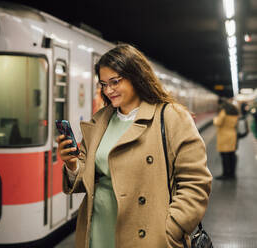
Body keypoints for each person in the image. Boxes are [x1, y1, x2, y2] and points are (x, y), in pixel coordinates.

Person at [56, 44, 212, 248]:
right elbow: (86, 177)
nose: (108, 90)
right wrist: (73, 165)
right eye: (103, 84)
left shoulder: (171, 117)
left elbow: (196, 181)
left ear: (136, 76)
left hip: (149, 236)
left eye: (115, 82)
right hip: (99, 228)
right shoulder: (100, 121)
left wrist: (172, 228)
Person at [213, 97, 239, 180]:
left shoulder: (224, 111)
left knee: (225, 156)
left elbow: (218, 122)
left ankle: (225, 174)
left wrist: (215, 119)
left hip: (224, 136)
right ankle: (232, 173)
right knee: (232, 154)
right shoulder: (235, 111)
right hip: (232, 134)